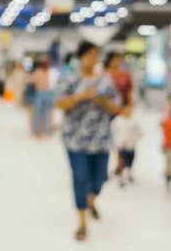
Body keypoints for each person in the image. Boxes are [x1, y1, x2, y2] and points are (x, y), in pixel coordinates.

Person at [56, 41, 122, 242]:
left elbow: (116, 107)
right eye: (90, 55)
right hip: (75, 139)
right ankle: (82, 222)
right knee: (80, 178)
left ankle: (91, 200)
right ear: (81, 56)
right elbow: (59, 102)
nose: (93, 60)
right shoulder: (69, 79)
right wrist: (80, 96)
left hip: (101, 139)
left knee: (100, 178)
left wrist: (102, 101)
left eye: (96, 56)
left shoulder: (105, 80)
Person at [30, 59, 54, 138]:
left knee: (37, 114)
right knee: (47, 114)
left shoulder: (37, 72)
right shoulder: (46, 73)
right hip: (48, 93)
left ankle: (36, 132)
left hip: (40, 93)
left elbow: (30, 81)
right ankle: (47, 131)